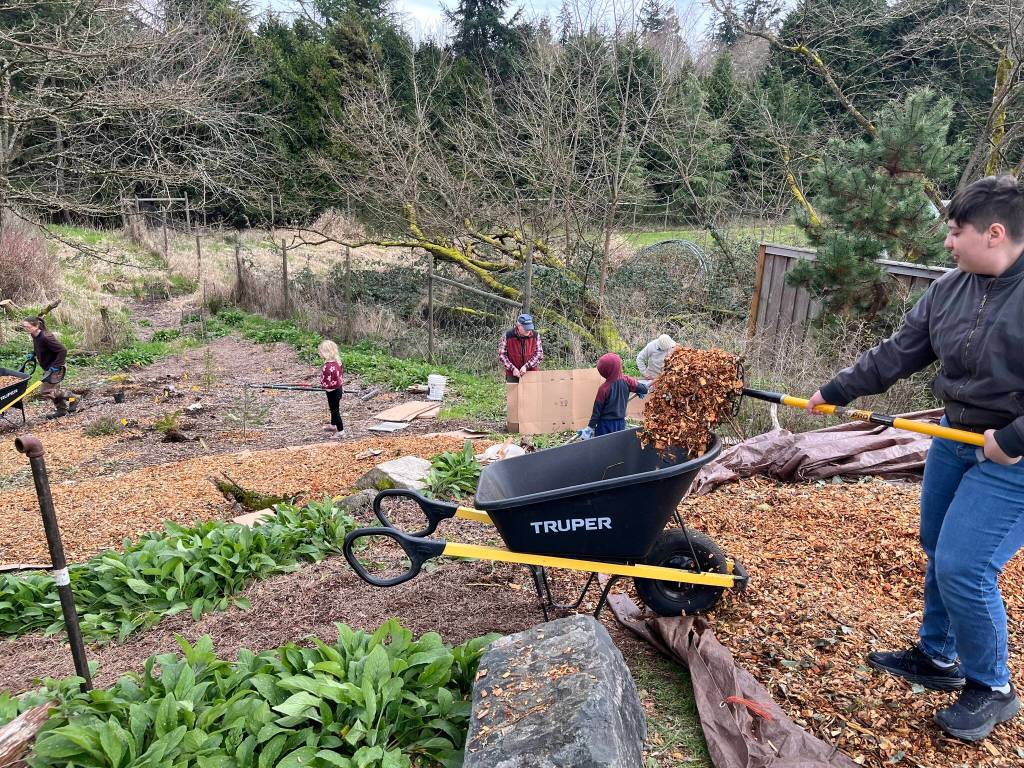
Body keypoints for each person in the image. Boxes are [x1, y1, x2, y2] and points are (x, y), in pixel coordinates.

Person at [805, 175, 1024, 742]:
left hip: (1013, 457)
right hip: (956, 435)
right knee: (936, 543)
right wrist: (838, 389)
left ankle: (993, 686)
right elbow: (900, 351)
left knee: (965, 565)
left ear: (994, 233)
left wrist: (1014, 438)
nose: (947, 243)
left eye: (955, 232)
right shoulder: (951, 288)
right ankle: (937, 656)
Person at [581, 353, 648, 438]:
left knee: (603, 445)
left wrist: (590, 427)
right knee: (617, 444)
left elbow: (597, 412)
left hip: (604, 426)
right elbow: (644, 389)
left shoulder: (604, 388)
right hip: (620, 424)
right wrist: (638, 390)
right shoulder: (627, 381)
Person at [22, 316, 67, 419]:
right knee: (52, 390)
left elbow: (63, 350)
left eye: (28, 327)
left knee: (45, 390)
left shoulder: (46, 337)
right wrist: (33, 353)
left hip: (57, 367)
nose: (26, 329)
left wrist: (56, 366)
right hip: (49, 367)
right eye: (24, 327)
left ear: (37, 326)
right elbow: (39, 346)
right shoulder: (34, 334)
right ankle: (63, 409)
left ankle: (73, 399)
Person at [499, 313, 543, 382]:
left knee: (532, 389)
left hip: (531, 372)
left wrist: (526, 366)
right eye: (526, 328)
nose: (528, 331)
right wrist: (512, 368)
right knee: (513, 389)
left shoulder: (535, 335)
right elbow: (502, 355)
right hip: (512, 374)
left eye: (530, 328)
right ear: (518, 326)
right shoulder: (508, 335)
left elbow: (539, 354)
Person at [318, 340, 345, 437]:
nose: (319, 353)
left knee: (335, 411)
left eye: (320, 352)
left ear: (326, 352)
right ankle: (333, 425)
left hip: (332, 391)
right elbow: (339, 376)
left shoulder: (327, 367)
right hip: (338, 389)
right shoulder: (337, 363)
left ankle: (341, 431)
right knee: (334, 408)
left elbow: (326, 381)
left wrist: (323, 386)